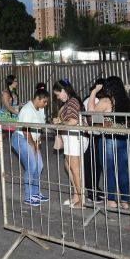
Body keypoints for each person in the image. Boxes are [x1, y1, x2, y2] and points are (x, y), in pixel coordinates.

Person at [89, 76, 130, 210]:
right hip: (124, 137)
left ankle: (111, 200)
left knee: (109, 169)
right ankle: (125, 201)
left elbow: (90, 113)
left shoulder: (106, 101)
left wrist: (93, 93)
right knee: (122, 170)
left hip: (109, 138)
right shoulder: (125, 100)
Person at [10, 89, 51, 207]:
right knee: (31, 165)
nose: (46, 104)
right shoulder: (27, 109)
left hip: (32, 139)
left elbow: (40, 126)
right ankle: (28, 196)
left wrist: (38, 141)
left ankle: (35, 192)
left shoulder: (41, 108)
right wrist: (33, 145)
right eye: (44, 101)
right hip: (21, 139)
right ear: (37, 99)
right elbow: (25, 130)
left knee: (39, 166)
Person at [52, 79, 88, 209]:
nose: (57, 97)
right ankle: (76, 196)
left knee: (75, 170)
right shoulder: (70, 102)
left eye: (57, 94)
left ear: (63, 91)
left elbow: (73, 121)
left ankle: (81, 200)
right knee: (68, 166)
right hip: (71, 138)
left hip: (74, 138)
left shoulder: (72, 101)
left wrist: (60, 124)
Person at [82, 78, 106, 203]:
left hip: (94, 136)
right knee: (92, 165)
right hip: (92, 136)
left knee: (95, 165)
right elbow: (95, 121)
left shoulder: (92, 99)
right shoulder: (95, 100)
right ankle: (91, 192)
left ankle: (95, 188)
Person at [0, 75, 20, 167]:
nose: (17, 83)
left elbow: (13, 105)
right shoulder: (6, 93)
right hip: (4, 117)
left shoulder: (13, 92)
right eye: (15, 81)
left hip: (11, 116)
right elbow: (7, 106)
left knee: (5, 136)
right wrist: (17, 113)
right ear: (11, 82)